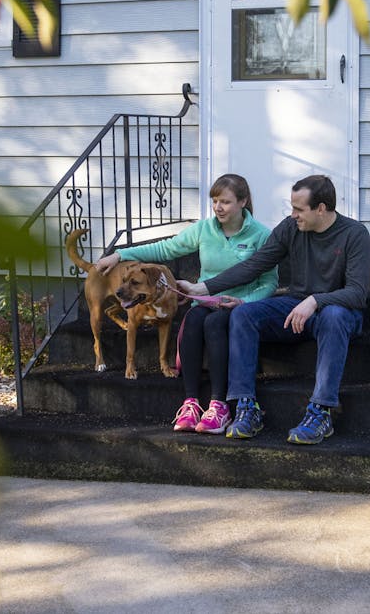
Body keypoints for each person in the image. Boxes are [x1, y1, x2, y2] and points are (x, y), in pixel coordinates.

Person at [175, 174, 370, 445]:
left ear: (321, 209)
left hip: (337, 313)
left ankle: (320, 411)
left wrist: (315, 300)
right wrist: (204, 288)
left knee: (334, 315)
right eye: (291, 208)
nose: (293, 215)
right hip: (295, 307)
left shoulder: (354, 234)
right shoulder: (291, 228)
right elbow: (254, 265)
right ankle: (246, 406)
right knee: (244, 313)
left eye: (299, 209)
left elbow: (357, 293)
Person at [95, 174, 277, 434]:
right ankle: (190, 403)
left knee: (214, 324)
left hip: (237, 306)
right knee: (192, 320)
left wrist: (244, 301)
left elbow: (270, 283)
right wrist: (121, 254)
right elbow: (166, 249)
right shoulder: (204, 229)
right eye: (215, 201)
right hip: (204, 300)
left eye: (225, 201)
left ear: (243, 201)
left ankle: (219, 405)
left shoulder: (261, 235)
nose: (218, 207)